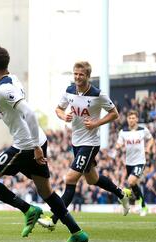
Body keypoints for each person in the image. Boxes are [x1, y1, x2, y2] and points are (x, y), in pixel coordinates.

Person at [0, 47, 88, 242]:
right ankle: (77, 232)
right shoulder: (12, 80)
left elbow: (29, 113)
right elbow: (9, 114)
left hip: (25, 145)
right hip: (37, 139)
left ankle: (28, 210)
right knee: (46, 192)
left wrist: (34, 148)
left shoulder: (4, 88)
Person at [38, 61, 132, 230]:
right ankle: (121, 194)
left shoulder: (97, 94)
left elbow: (114, 114)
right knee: (92, 179)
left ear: (88, 76)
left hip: (90, 143)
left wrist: (97, 123)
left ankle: (53, 220)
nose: (77, 77)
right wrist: (63, 116)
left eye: (81, 74)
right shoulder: (69, 91)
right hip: (76, 142)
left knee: (70, 178)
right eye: (75, 74)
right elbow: (58, 109)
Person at [116, 110, 154, 216]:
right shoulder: (123, 132)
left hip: (140, 161)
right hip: (129, 162)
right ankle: (143, 206)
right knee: (133, 184)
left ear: (137, 119)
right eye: (130, 118)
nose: (131, 120)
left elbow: (151, 139)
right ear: (127, 119)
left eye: (133, 118)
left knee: (131, 181)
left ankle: (137, 202)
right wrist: (118, 147)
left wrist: (148, 147)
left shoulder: (143, 130)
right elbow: (118, 144)